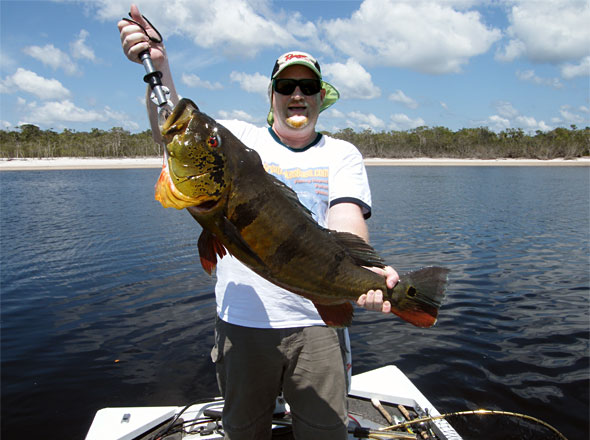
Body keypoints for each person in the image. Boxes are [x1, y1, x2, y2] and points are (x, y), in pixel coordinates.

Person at [119, 5, 399, 439]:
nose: (297, 95)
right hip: (242, 324)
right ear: (271, 95)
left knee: (325, 431)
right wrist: (159, 64)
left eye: (308, 86)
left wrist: (367, 277)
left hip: (317, 325)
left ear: (322, 96)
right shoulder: (239, 140)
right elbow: (170, 127)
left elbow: (347, 221)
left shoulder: (341, 154)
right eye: (286, 86)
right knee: (244, 430)